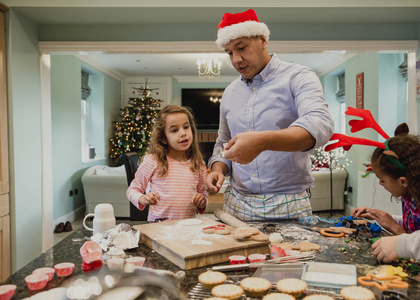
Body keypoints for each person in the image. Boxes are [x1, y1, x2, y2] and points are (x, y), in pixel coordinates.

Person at [206, 9, 334, 221]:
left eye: (242, 48)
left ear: (263, 40)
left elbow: (320, 124)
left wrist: (263, 141)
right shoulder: (230, 92)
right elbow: (223, 142)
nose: (236, 59)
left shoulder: (298, 77)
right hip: (237, 204)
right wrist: (218, 169)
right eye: (229, 53)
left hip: (288, 203)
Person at [126, 105, 208, 222]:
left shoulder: (198, 164)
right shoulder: (153, 161)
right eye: (174, 130)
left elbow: (203, 194)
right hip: (158, 227)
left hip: (188, 228)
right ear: (164, 138)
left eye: (186, 127)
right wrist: (143, 198)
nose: (183, 133)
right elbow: (132, 190)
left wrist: (202, 202)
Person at [352, 127, 420, 235]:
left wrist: (395, 228)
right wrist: (380, 216)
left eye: (382, 180)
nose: (380, 183)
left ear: (403, 181)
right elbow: (412, 226)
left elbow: (414, 247)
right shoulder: (409, 194)